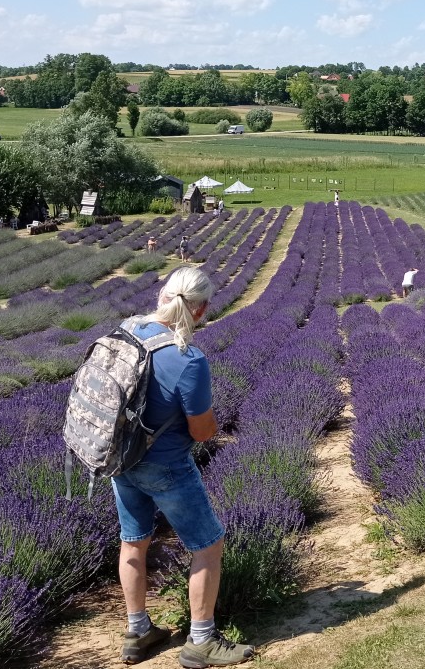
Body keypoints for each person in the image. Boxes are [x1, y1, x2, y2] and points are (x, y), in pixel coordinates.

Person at [113, 267, 254, 667]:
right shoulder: (188, 359)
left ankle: (138, 631)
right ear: (202, 309)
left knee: (133, 540)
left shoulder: (126, 332)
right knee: (207, 544)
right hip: (167, 466)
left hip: (120, 460)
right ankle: (202, 641)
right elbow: (203, 430)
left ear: (162, 295)